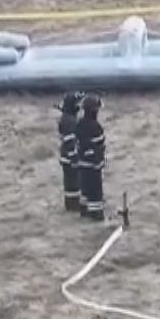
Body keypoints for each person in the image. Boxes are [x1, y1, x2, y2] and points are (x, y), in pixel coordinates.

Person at [75, 94, 107, 222]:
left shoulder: (79, 124)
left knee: (85, 190)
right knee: (95, 193)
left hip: (82, 165)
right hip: (93, 167)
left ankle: (84, 211)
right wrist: (99, 163)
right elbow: (98, 149)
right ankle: (96, 215)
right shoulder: (96, 128)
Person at [56, 93, 83, 213]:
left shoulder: (65, 119)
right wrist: (74, 158)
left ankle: (70, 207)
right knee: (73, 185)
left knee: (70, 185)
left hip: (65, 158)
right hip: (70, 159)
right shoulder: (70, 121)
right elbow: (70, 141)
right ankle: (73, 208)